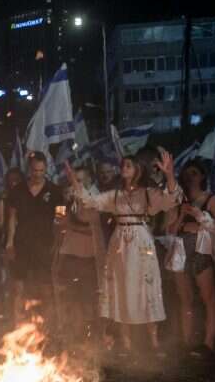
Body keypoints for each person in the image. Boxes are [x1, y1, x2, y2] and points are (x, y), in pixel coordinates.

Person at [67, 147, 181, 354]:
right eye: (122, 165)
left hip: (141, 243)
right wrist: (75, 183)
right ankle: (126, 343)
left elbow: (170, 199)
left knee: (146, 288)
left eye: (128, 165)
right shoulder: (115, 195)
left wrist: (169, 174)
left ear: (137, 169)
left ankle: (154, 342)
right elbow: (89, 201)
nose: (123, 168)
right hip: (120, 244)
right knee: (122, 289)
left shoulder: (147, 193)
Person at [165, 159, 215, 355]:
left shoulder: (211, 199)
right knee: (185, 299)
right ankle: (186, 341)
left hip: (201, 252)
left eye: (195, 173)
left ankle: (208, 342)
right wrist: (183, 218)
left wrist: (200, 218)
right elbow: (170, 229)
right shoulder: (178, 200)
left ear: (202, 176)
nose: (191, 178)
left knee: (209, 298)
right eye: (188, 173)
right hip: (181, 253)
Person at [6, 152, 61, 326]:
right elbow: (12, 217)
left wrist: (58, 242)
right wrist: (9, 242)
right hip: (22, 245)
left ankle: (47, 326)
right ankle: (18, 325)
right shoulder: (17, 190)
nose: (38, 174)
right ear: (30, 169)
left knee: (45, 287)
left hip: (45, 245)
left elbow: (60, 219)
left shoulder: (54, 191)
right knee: (18, 288)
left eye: (42, 170)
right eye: (35, 170)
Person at [53, 165, 101, 344]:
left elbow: (94, 229)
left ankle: (93, 335)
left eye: (80, 181)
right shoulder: (63, 203)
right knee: (71, 297)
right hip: (69, 256)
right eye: (74, 181)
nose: (76, 185)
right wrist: (62, 218)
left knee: (89, 298)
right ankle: (74, 333)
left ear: (89, 181)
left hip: (89, 258)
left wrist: (70, 226)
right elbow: (57, 226)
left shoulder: (94, 202)